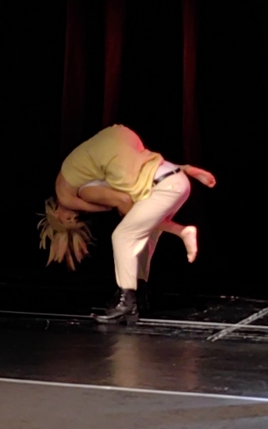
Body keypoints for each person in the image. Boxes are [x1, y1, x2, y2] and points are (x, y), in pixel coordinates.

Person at [38, 124, 216, 324]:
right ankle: (139, 291)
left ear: (55, 214)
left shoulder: (71, 195)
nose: (74, 217)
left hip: (165, 188)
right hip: (170, 175)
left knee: (123, 235)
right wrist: (187, 169)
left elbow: (119, 202)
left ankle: (128, 302)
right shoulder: (96, 171)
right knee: (143, 231)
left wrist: (114, 207)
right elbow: (141, 167)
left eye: (66, 220)